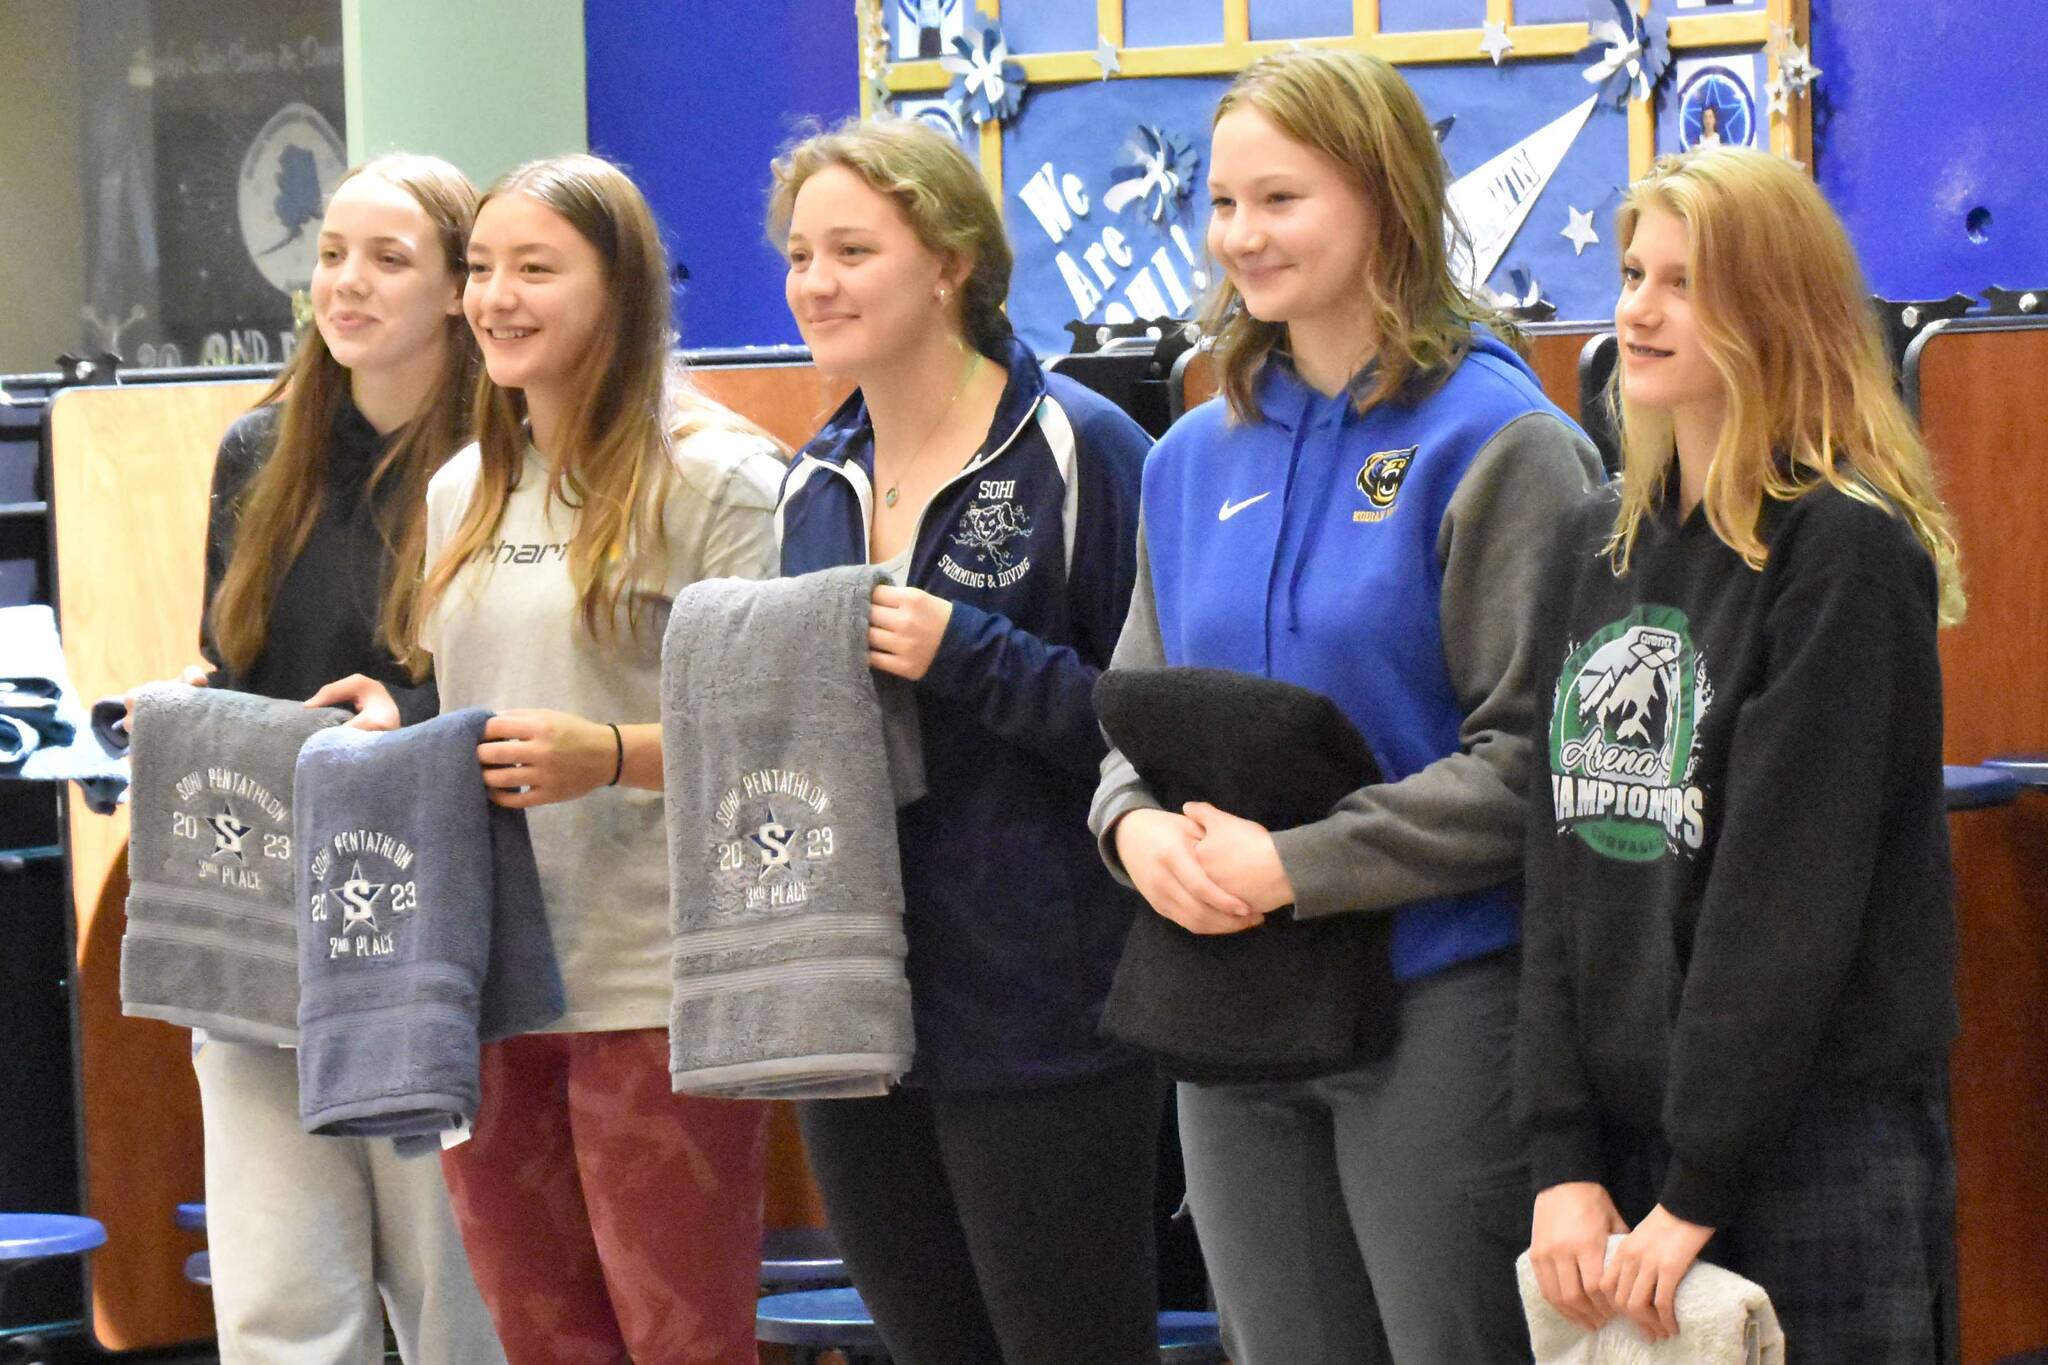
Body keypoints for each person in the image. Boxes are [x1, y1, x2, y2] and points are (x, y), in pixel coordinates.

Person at [1090, 49, 1602, 1364]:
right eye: (1221, 204)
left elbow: (1533, 763)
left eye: (1281, 199)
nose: (1240, 237)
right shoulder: (1192, 454)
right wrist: (1133, 834)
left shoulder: (1502, 442)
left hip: (1435, 997)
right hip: (1228, 994)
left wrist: (1296, 866)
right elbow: (1132, 725)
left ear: (1383, 197)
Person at [328, 153, 786, 1365]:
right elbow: (478, 700)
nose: (496, 298)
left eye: (536, 269)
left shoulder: (720, 478)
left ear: (621, 289)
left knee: (679, 1339)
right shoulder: (465, 487)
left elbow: (782, 735)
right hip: (487, 981)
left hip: (658, 977)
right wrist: (396, 726)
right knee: (543, 1343)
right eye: (481, 269)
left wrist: (615, 755)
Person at [1517, 146, 1964, 1364]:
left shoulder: (1840, 556)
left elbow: (1786, 904)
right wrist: (1560, 1159)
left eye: (1684, 282)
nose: (1636, 309)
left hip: (1803, 1139)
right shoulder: (1593, 548)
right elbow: (1558, 870)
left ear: (1774, 312)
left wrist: (1697, 1186)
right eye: (1628, 273)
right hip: (1619, 1161)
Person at [771, 116, 1160, 1364]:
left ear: (947, 261)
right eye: (796, 255)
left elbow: (1155, 725)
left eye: (850, 249)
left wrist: (969, 655)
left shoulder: (1082, 449)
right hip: (858, 1010)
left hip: (1045, 1008)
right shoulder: (812, 480)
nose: (814, 283)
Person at [182, 152, 503, 1365]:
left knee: (450, 1294)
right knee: (278, 1296)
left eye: (388, 259)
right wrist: (194, 702)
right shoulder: (257, 452)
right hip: (263, 914)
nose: (347, 284)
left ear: (456, 294)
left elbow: (529, 682)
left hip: (433, 915)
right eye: (330, 255)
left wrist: (409, 708)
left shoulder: (503, 459)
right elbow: (234, 652)